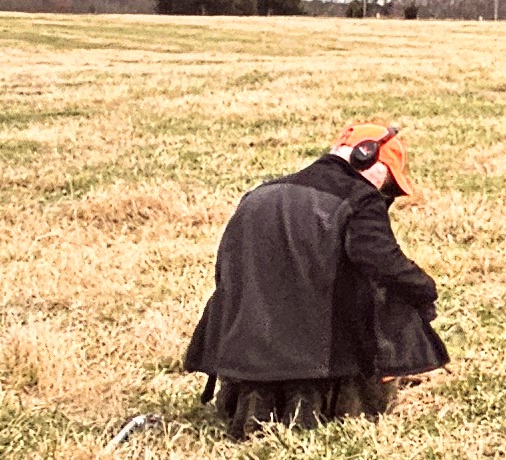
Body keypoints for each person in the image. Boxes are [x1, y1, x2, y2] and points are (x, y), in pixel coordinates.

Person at [184, 121, 449, 439]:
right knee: (396, 292)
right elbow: (385, 265)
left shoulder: (259, 195)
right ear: (367, 156)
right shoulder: (359, 199)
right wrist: (424, 289)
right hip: (322, 357)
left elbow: (226, 274)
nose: (384, 191)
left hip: (248, 354)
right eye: (389, 181)